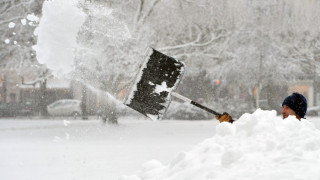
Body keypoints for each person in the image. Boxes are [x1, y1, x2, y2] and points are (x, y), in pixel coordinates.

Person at [216, 92, 307, 123]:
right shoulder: (278, 128)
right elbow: (256, 136)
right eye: (283, 107)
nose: (282, 111)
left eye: (287, 107)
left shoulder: (307, 136)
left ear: (298, 111)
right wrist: (231, 123)